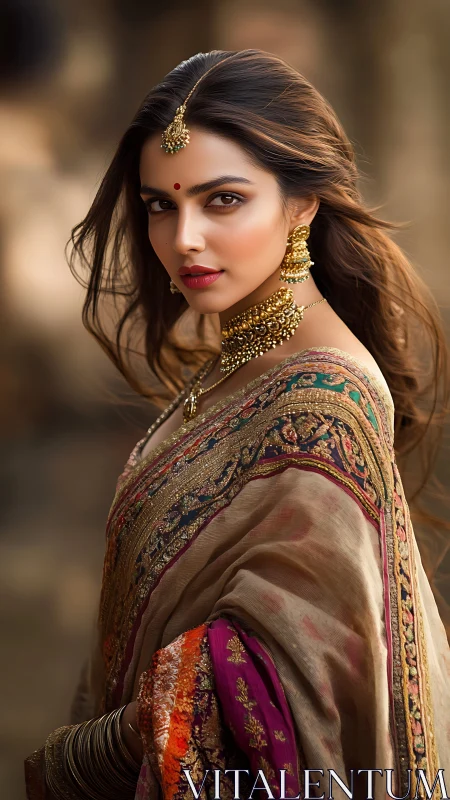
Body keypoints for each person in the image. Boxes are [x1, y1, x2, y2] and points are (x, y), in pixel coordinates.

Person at [25, 49, 450, 800]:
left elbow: (296, 687)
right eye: (161, 204)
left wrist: (95, 751)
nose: (183, 238)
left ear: (303, 202)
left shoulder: (326, 399)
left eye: (222, 200)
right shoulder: (235, 359)